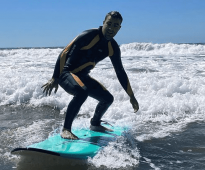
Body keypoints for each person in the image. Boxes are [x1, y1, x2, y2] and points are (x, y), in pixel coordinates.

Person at [42, 11, 140, 140]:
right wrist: (54, 77)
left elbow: (120, 71)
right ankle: (66, 130)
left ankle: (95, 124)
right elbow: (65, 52)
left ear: (119, 28)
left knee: (107, 99)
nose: (111, 28)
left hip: (83, 76)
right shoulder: (89, 35)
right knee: (82, 92)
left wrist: (131, 96)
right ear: (103, 23)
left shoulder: (113, 47)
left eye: (115, 25)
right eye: (109, 24)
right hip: (66, 73)